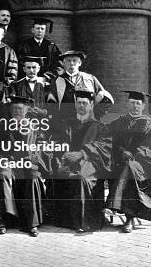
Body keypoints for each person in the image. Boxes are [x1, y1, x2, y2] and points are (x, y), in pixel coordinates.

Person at [106, 91, 151, 233]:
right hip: (120, 162)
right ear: (128, 104)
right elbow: (109, 141)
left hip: (145, 164)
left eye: (138, 104)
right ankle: (123, 213)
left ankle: (127, 216)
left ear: (143, 106)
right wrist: (122, 151)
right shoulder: (119, 122)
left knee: (131, 169)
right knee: (126, 168)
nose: (135, 106)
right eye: (132, 103)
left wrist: (135, 154)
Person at [51, 90, 112, 233]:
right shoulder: (66, 123)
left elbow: (104, 147)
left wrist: (82, 152)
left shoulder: (99, 126)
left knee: (81, 178)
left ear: (91, 105)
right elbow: (56, 141)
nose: (81, 105)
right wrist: (64, 153)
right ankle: (67, 221)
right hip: (66, 161)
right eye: (78, 102)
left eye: (84, 103)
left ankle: (84, 221)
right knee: (62, 174)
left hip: (89, 162)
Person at [0, 96, 52, 237]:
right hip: (10, 163)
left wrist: (33, 160)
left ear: (26, 110)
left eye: (20, 108)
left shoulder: (35, 127)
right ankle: (4, 220)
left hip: (28, 162)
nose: (17, 111)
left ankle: (31, 223)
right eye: (14, 108)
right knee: (3, 175)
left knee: (33, 177)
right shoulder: (3, 126)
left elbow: (43, 147)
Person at [47, 50, 113, 122]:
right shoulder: (56, 81)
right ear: (63, 63)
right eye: (68, 61)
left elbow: (104, 98)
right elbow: (51, 105)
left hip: (87, 122)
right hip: (65, 122)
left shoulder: (90, 79)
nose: (72, 63)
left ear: (80, 63)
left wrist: (95, 114)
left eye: (74, 60)